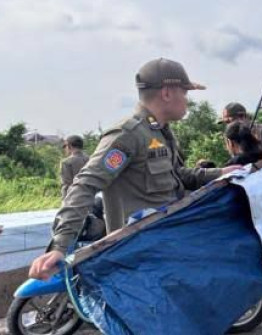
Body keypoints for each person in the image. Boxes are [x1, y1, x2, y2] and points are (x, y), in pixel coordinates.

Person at [29, 58, 241, 280]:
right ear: (167, 93)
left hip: (166, 247)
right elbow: (85, 184)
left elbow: (177, 175)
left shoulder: (161, 133)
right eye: (184, 92)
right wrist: (60, 245)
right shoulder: (128, 136)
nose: (187, 99)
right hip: (139, 258)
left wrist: (221, 173)